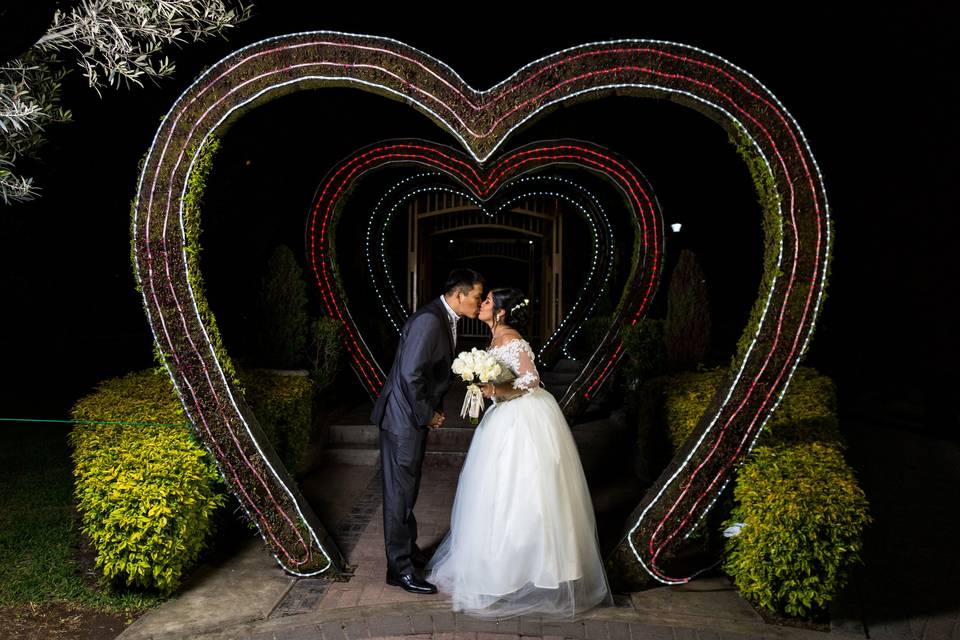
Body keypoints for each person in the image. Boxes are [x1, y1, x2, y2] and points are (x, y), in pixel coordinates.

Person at [427, 287, 612, 617]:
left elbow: (531, 380)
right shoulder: (496, 336)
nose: (481, 304)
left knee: (524, 492)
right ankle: (497, 569)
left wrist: (495, 388)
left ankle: (529, 569)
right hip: (502, 417)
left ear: (500, 312)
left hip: (524, 421)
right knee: (497, 495)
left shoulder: (512, 338)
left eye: (487, 302)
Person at [371, 268, 485, 594]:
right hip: (403, 419)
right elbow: (409, 375)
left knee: (408, 489)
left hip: (409, 417)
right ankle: (399, 569)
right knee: (399, 494)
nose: (479, 304)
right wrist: (427, 414)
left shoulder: (444, 318)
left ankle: (408, 551)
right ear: (459, 295)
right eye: (477, 297)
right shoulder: (429, 320)